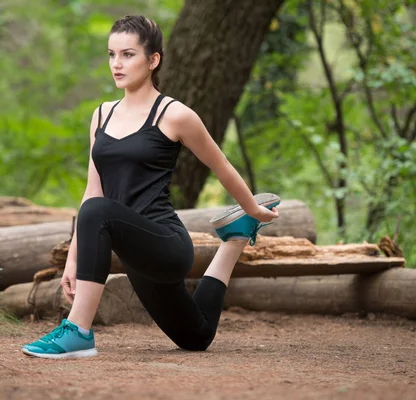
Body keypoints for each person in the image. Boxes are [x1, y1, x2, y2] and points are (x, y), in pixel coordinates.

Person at [21, 15, 280, 359]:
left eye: (128, 54)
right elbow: (92, 192)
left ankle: (78, 331)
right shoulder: (101, 115)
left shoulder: (174, 115)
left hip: (166, 245)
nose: (117, 63)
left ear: (153, 59)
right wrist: (72, 260)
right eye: (111, 54)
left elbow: (221, 165)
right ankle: (235, 237)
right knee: (196, 336)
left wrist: (253, 208)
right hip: (136, 255)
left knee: (98, 212)